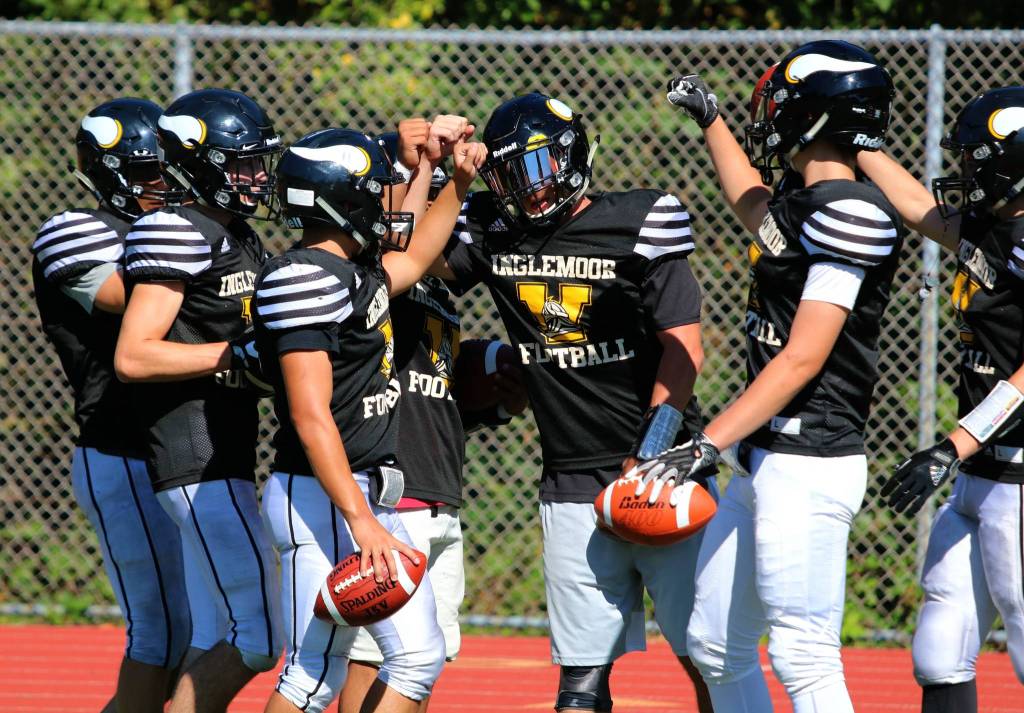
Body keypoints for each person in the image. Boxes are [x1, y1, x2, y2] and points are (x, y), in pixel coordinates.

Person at [428, 92, 712, 713]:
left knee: (708, 658)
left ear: (572, 153)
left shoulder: (641, 219)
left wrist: (652, 451)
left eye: (538, 166)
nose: (529, 188)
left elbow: (685, 350)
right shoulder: (493, 227)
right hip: (571, 477)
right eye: (510, 174)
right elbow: (412, 255)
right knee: (579, 687)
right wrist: (424, 164)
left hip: (664, 469)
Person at [644, 40, 901, 713]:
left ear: (814, 116)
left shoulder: (853, 210)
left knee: (803, 656)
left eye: (780, 107)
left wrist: (709, 440)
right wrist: (712, 122)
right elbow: (752, 209)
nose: (770, 120)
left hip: (811, 456)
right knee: (714, 644)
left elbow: (803, 357)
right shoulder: (802, 199)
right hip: (764, 459)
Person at [254, 118, 486, 713]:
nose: (388, 201)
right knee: (313, 674)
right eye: (377, 189)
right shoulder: (303, 276)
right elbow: (311, 416)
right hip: (325, 494)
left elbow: (416, 253)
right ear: (344, 200)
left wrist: (449, 177)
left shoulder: (354, 273)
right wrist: (360, 519)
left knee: (416, 656)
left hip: (362, 489)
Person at [338, 132, 528, 713]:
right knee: (374, 655)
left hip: (439, 488)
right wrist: (417, 162)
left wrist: (492, 392)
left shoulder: (437, 288)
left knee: (422, 662)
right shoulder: (376, 274)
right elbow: (401, 229)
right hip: (393, 491)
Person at [114, 88, 284, 713]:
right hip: (194, 457)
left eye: (259, 162)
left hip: (222, 452)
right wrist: (233, 357)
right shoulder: (175, 230)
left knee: (217, 636)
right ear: (197, 163)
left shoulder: (234, 232)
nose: (257, 176)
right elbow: (134, 355)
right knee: (260, 637)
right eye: (242, 163)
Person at [857, 86, 1024, 713]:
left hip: (1018, 478)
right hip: (979, 476)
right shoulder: (991, 225)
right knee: (939, 651)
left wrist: (954, 445)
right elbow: (916, 206)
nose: (964, 174)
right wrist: (854, 140)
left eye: (975, 162)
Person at [30, 98, 190, 713]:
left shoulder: (183, 231)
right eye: (150, 173)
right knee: (160, 633)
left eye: (172, 171)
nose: (165, 186)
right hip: (121, 449)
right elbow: (133, 298)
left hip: (184, 449)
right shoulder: (75, 230)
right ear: (109, 173)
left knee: (199, 631)